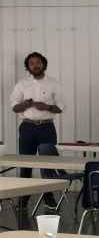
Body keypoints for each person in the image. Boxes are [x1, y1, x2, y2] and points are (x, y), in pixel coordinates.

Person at [10, 52, 64, 208]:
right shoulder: (21, 84)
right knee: (26, 163)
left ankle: (48, 197)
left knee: (48, 164)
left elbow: (60, 107)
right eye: (32, 63)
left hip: (47, 127)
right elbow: (14, 106)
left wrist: (46, 107)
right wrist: (25, 105)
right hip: (27, 127)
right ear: (28, 66)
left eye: (38, 62)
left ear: (44, 64)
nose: (35, 65)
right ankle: (23, 198)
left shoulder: (54, 83)